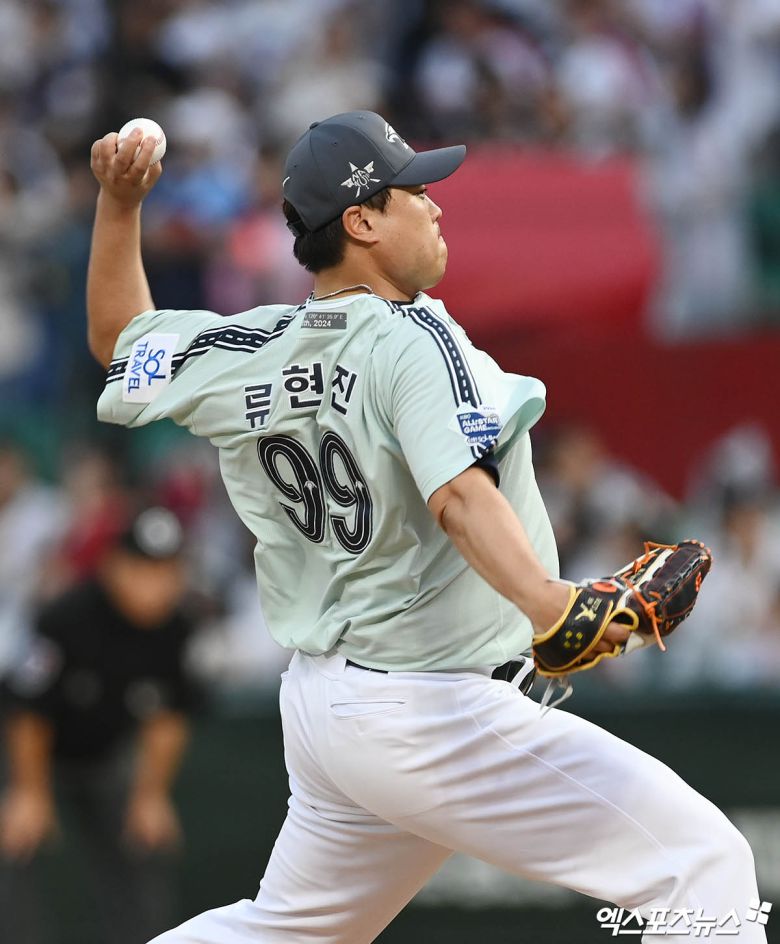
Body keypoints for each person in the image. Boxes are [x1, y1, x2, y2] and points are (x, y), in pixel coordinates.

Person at [87, 111, 765, 943]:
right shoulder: (413, 336)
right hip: (428, 704)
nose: (435, 205)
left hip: (330, 704)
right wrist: (550, 605)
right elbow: (458, 495)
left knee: (285, 931)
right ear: (362, 221)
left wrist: (119, 206)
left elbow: (119, 340)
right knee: (699, 862)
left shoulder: (252, 344)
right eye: (413, 191)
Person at [0, 507, 196, 944]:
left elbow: (168, 717)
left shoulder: (177, 628)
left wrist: (152, 795)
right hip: (35, 753)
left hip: (106, 756)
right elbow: (28, 710)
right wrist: (28, 792)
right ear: (113, 566)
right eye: (143, 570)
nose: (155, 585)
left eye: (167, 571)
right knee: (15, 841)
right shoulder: (66, 616)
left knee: (145, 844)